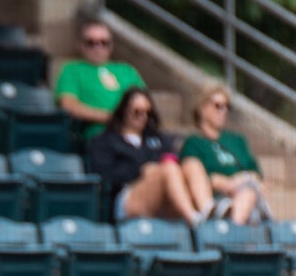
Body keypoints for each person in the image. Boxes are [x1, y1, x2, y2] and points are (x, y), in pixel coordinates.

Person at [86, 87, 209, 225]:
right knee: (169, 169)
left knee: (192, 163)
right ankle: (194, 221)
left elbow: (171, 158)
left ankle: (207, 211)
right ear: (124, 111)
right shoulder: (105, 141)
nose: (143, 117)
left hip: (162, 195)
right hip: (126, 196)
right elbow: (106, 175)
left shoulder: (157, 139)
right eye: (137, 112)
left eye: (147, 113)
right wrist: (141, 171)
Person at [179, 83, 269, 224]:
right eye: (218, 106)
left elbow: (256, 173)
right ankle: (228, 231)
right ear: (202, 108)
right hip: (218, 201)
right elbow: (202, 178)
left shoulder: (237, 140)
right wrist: (230, 182)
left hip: (247, 196)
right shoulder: (193, 143)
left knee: (248, 193)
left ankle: (231, 231)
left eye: (227, 106)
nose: (224, 110)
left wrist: (239, 181)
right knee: (247, 193)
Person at [55, 17, 144, 141]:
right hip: (100, 134)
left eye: (104, 42)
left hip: (137, 132)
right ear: (80, 45)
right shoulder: (71, 70)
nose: (98, 47)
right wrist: (111, 117)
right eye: (91, 42)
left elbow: (144, 102)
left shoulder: (126, 70)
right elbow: (69, 105)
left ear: (111, 46)